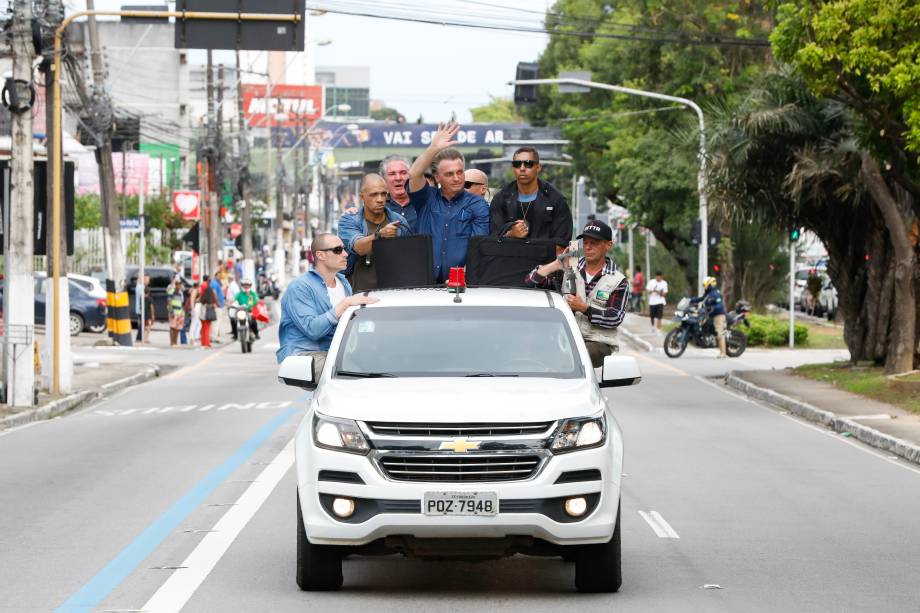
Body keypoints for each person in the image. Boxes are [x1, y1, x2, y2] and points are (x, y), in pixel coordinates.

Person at [525, 220, 629, 368]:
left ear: (608, 245)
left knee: (580, 357)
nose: (588, 247)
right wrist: (556, 265)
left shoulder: (618, 281)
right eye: (585, 242)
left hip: (597, 342)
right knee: (532, 348)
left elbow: (615, 317)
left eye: (595, 243)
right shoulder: (569, 269)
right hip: (565, 338)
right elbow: (530, 281)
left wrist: (585, 309)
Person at [277, 234, 378, 372]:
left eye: (344, 249)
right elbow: (313, 329)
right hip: (306, 356)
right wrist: (345, 303)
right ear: (320, 255)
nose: (345, 254)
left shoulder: (343, 283)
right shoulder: (300, 287)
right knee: (356, 374)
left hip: (337, 354)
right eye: (337, 250)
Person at [407, 121, 490, 282]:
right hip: (423, 283)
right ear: (437, 178)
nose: (457, 178)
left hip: (460, 285)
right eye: (449, 174)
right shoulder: (425, 198)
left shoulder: (478, 205)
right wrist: (433, 149)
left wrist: (461, 278)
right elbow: (414, 174)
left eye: (460, 172)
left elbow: (478, 246)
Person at [338, 173, 411, 291]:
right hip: (358, 295)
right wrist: (380, 236)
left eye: (383, 194)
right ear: (362, 197)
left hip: (393, 293)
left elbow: (408, 258)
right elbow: (359, 248)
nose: (380, 199)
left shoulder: (399, 221)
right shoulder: (349, 219)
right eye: (374, 195)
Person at [489, 146, 573, 244]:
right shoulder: (501, 198)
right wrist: (511, 234)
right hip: (510, 257)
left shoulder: (555, 199)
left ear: (538, 167)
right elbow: (492, 238)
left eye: (528, 164)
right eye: (517, 164)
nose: (522, 168)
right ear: (513, 168)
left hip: (546, 258)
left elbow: (563, 241)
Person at [691, 276, 727, 358]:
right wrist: (691, 300)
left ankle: (723, 353)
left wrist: (713, 308)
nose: (704, 287)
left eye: (705, 285)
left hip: (718, 315)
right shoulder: (708, 294)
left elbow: (719, 304)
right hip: (710, 314)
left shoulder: (716, 293)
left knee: (719, 333)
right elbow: (701, 299)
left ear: (710, 284)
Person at [381, 155, 417, 233]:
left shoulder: (423, 204)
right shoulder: (378, 207)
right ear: (384, 179)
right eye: (392, 174)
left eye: (403, 173)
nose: (398, 178)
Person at [198, 275, 217, 349]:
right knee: (207, 327)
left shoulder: (202, 286)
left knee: (203, 326)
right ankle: (206, 343)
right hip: (207, 308)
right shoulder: (208, 288)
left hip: (203, 307)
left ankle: (203, 343)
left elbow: (201, 297)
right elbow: (211, 298)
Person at [166, 278, 185, 347]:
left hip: (179, 312)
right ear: (175, 285)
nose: (180, 286)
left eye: (180, 284)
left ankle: (175, 342)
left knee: (178, 328)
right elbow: (169, 301)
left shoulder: (180, 293)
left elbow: (181, 303)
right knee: (172, 327)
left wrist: (182, 311)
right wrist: (171, 312)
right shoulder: (171, 291)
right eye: (178, 284)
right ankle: (172, 342)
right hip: (173, 311)